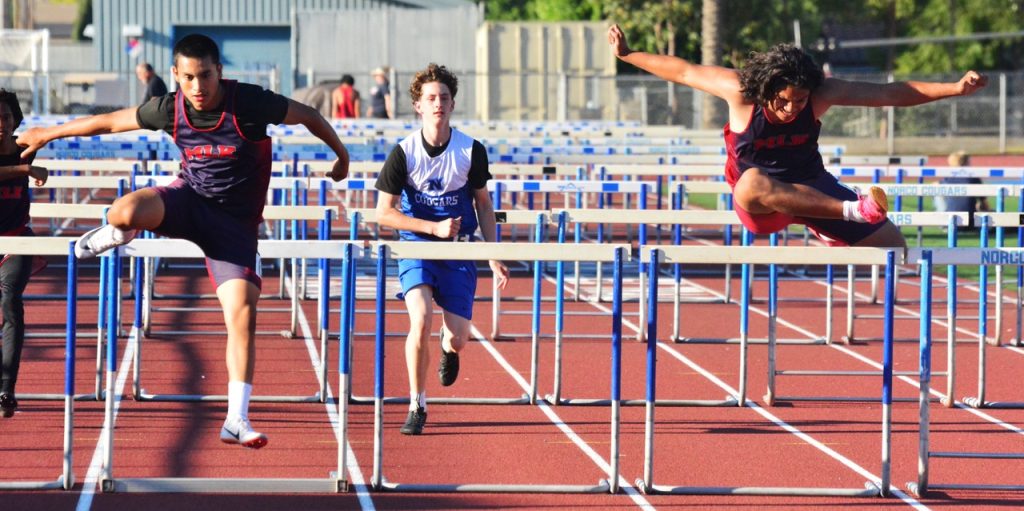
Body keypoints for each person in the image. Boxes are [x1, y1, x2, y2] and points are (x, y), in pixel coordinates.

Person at [18, 34, 350, 447]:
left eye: (206, 76)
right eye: (189, 77)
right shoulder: (168, 107)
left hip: (234, 226)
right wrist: (48, 133)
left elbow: (309, 116)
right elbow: (105, 122)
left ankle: (236, 419)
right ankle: (119, 233)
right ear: (176, 75)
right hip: (189, 201)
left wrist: (342, 156)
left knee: (243, 314)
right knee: (122, 211)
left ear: (219, 73)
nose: (198, 87)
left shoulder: (249, 103)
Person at [608, 24, 988, 248]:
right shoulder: (741, 92)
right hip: (761, 205)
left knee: (894, 245)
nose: (792, 109)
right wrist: (628, 55)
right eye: (784, 102)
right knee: (753, 181)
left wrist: (953, 88)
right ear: (767, 89)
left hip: (811, 188)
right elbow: (683, 70)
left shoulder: (820, 94)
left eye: (800, 101)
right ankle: (850, 211)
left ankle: (828, 224)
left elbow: (889, 93)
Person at [374, 63, 509, 435]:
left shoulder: (470, 150)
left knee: (459, 338)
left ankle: (449, 351)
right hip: (417, 246)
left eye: (444, 98)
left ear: (453, 104)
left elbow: (483, 204)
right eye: (430, 98)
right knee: (419, 319)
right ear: (418, 105)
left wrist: (492, 253)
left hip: (459, 251)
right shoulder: (403, 153)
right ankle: (417, 403)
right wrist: (430, 227)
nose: (438, 104)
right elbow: (383, 213)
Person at [0, 89, 48, 418]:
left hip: (17, 240)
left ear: (14, 120)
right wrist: (24, 171)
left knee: (9, 304)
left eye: (4, 117)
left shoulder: (25, 147)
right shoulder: (22, 163)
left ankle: (6, 389)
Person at [935, 151, 989, 228]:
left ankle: (943, 220)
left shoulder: (947, 179)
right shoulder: (974, 178)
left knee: (937, 192)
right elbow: (985, 204)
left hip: (950, 221)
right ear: (967, 162)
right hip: (971, 222)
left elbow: (935, 185)